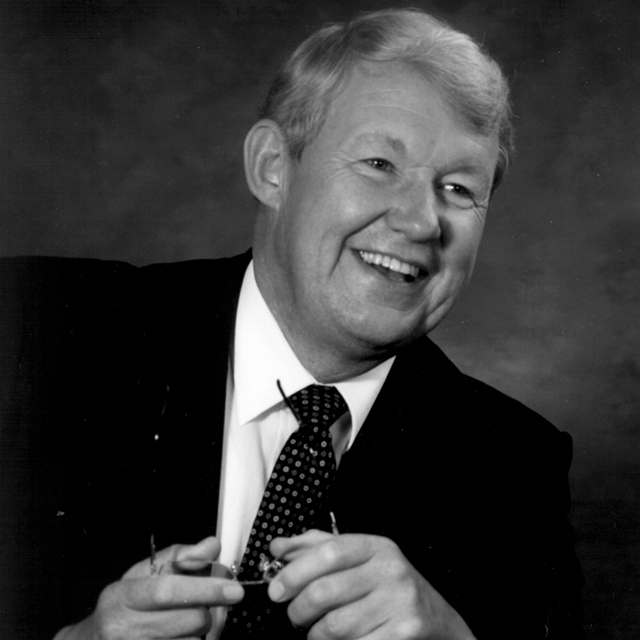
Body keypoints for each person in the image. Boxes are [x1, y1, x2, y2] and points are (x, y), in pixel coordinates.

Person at [0, 8, 584, 640]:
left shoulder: (515, 467)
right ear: (272, 167)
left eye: (459, 189)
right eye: (379, 164)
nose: (421, 222)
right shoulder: (35, 327)